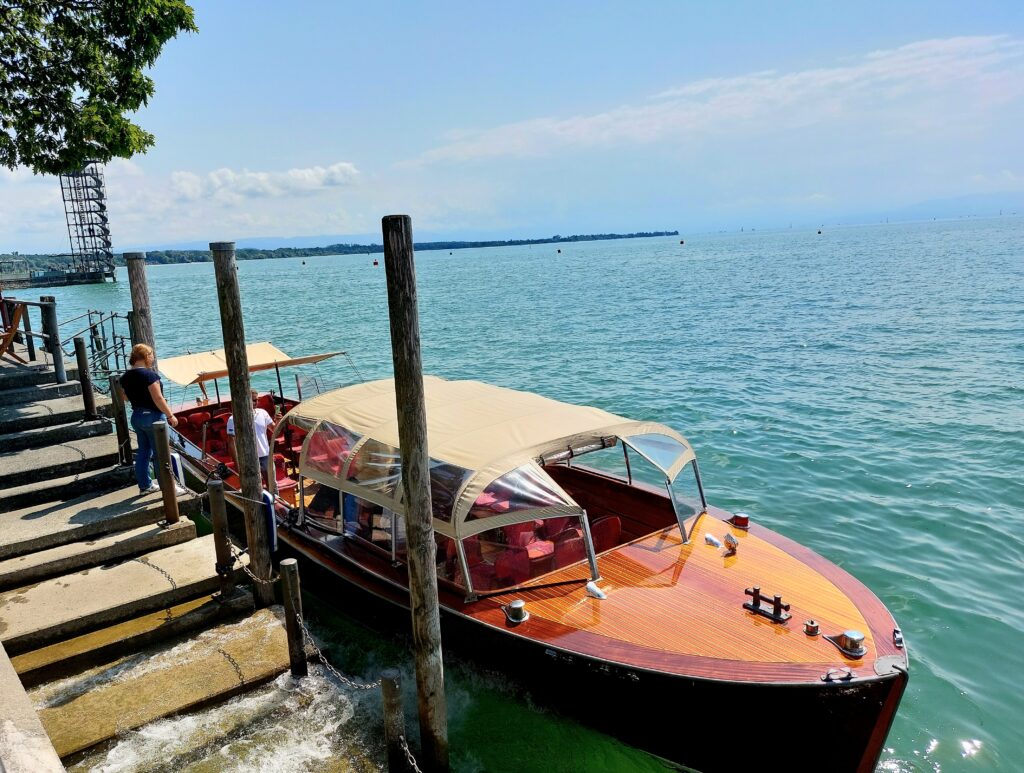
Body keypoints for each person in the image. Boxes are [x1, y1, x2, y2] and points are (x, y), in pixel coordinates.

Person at [120, 343, 178, 494]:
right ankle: (168, 488)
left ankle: (145, 485)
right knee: (161, 453)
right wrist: (170, 415)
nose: (153, 358)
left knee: (144, 452)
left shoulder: (125, 377)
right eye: (151, 354)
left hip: (137, 416)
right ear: (145, 356)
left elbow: (125, 397)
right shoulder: (150, 375)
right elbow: (158, 398)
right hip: (153, 417)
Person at [226, 390, 276, 483]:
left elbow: (274, 430)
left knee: (272, 484)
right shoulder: (233, 419)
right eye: (252, 400)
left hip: (266, 456)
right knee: (254, 485)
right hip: (248, 459)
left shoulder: (263, 413)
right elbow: (231, 443)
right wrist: (237, 465)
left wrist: (278, 420)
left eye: (256, 400)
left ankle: (274, 497)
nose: (255, 402)